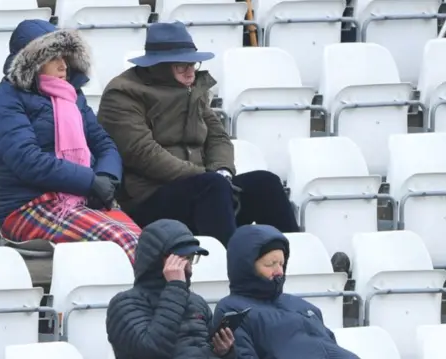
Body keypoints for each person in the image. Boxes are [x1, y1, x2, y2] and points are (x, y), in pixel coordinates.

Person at [97, 21, 300, 248]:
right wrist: (205, 176)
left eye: (193, 63)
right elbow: (143, 153)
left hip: (204, 186)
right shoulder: (122, 93)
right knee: (212, 187)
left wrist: (223, 171)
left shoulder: (192, 88)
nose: (190, 71)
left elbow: (218, 137)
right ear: (159, 65)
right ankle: (231, 267)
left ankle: (292, 261)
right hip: (148, 198)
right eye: (181, 65)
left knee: (266, 183)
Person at [0, 20, 139, 263]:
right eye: (52, 57)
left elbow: (103, 143)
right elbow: (28, 160)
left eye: (65, 56)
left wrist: (106, 178)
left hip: (81, 201)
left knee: (147, 243)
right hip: (28, 208)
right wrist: (89, 181)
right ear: (31, 62)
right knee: (122, 241)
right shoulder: (2, 101)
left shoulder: (73, 95)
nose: (63, 64)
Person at [214, 225, 360, 359]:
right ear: (246, 267)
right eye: (270, 264)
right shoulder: (233, 310)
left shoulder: (303, 306)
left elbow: (330, 345)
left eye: (282, 264)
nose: (279, 271)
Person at [106, 219, 236, 359]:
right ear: (156, 260)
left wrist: (225, 352)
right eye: (181, 258)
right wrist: (174, 288)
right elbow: (150, 351)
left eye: (191, 258)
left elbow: (208, 349)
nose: (188, 267)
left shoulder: (197, 302)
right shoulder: (124, 305)